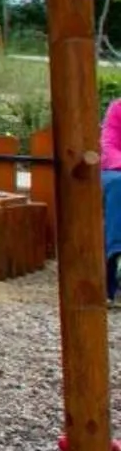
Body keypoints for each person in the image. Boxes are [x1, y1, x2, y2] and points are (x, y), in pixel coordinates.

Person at [102, 94, 120, 302]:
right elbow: (108, 145)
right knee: (118, 185)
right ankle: (115, 257)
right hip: (117, 169)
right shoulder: (118, 108)